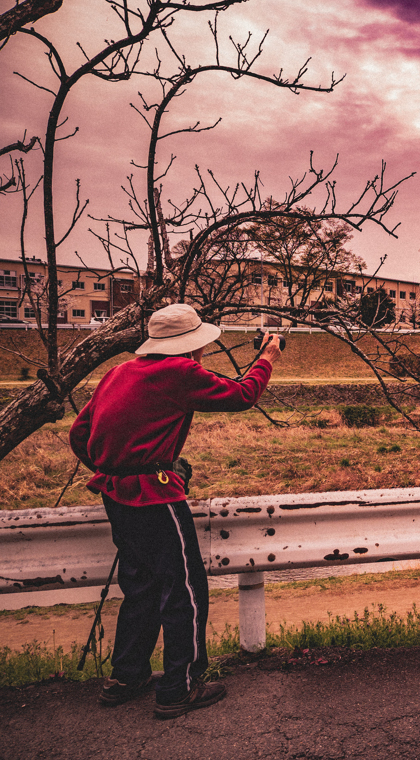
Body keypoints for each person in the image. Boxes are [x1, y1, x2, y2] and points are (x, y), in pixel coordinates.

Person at [69, 304, 283, 719]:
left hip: (115, 493)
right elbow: (242, 395)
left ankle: (126, 677)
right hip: (156, 497)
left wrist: (115, 463)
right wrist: (267, 357)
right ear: (191, 347)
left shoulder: (118, 373)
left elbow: (81, 433)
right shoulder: (179, 373)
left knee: (141, 585)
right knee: (183, 590)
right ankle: (177, 688)